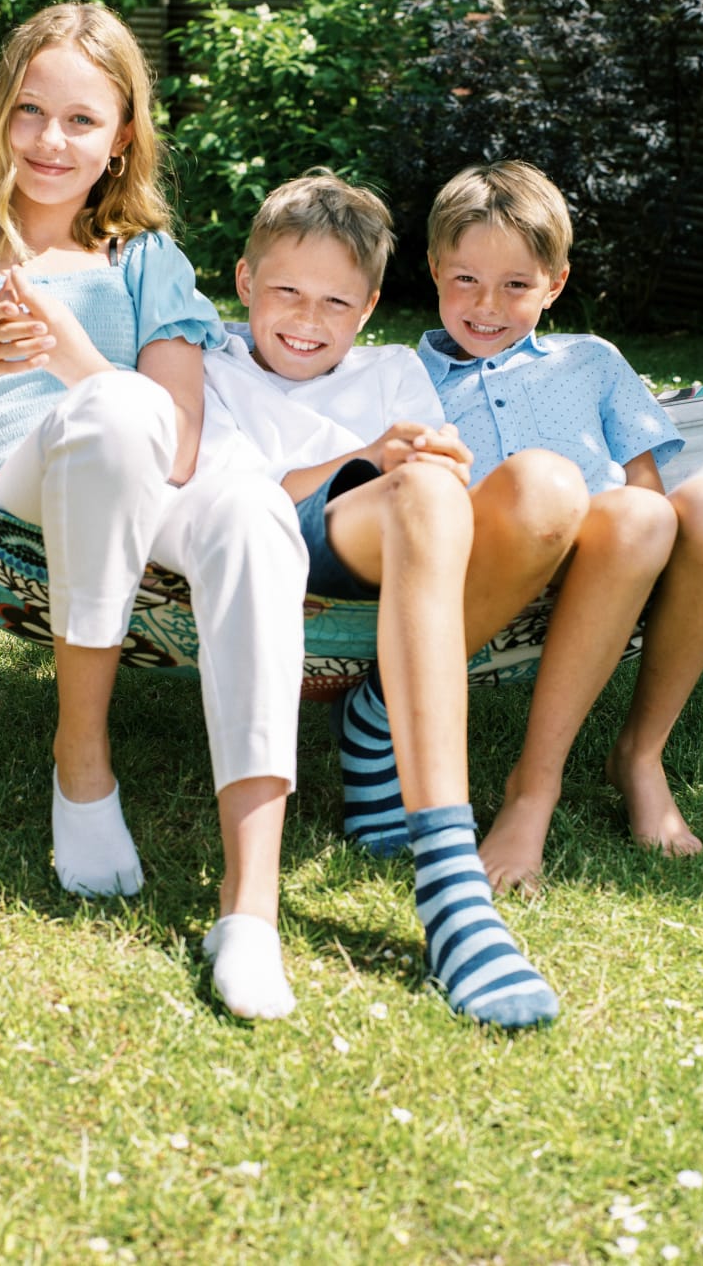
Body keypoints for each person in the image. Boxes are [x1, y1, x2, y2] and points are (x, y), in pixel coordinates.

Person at [0, 3, 309, 1021]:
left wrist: (67, 350)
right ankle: (82, 757)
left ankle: (251, 908)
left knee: (252, 517)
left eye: (82, 120)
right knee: (112, 410)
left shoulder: (146, 262)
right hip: (20, 496)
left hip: (155, 491)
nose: (50, 140)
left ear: (121, 139)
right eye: (30, 110)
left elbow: (178, 444)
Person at [205, 169, 592, 1028]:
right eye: (287, 293)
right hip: (277, 534)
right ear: (245, 281)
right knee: (417, 487)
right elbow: (230, 494)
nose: (308, 321)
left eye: (336, 303)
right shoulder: (210, 367)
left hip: (399, 540)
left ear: (371, 305)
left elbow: (437, 476)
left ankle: (376, 711)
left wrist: (428, 461)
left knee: (548, 488)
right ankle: (453, 889)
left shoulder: (390, 369)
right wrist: (377, 457)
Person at [418, 161, 703, 892]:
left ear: (555, 284)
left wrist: (644, 552)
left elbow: (645, 487)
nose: (486, 305)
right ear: (435, 267)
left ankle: (640, 754)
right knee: (633, 513)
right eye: (466, 278)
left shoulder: (592, 361)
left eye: (516, 284)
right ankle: (533, 788)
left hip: (620, 557)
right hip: (498, 566)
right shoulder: (404, 378)